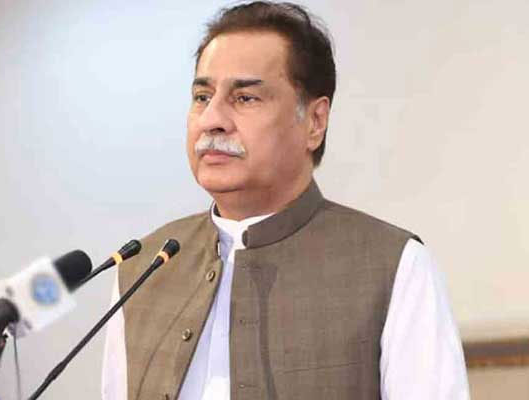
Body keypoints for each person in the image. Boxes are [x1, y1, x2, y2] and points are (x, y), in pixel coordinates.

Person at [102, 2, 469, 399]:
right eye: (202, 96)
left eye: (245, 98)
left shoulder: (394, 265)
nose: (212, 120)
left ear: (315, 122)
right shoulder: (144, 267)